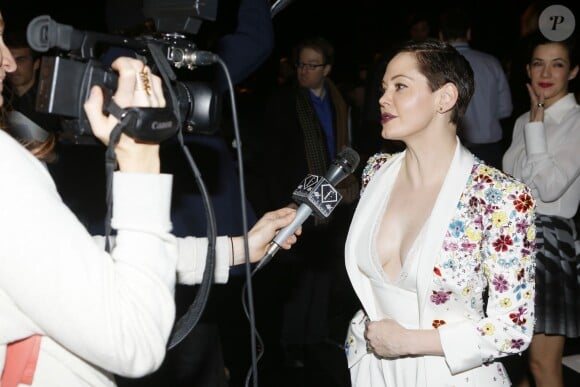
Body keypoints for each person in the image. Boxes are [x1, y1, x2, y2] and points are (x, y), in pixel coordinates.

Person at [0, 9, 299, 386]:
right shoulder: (5, 164)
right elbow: (135, 341)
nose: (8, 62)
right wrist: (140, 160)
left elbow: (73, 259)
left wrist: (237, 249)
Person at [344, 39, 537, 386]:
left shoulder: (499, 196)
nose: (383, 98)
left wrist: (407, 342)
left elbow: (513, 329)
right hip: (373, 370)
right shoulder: (377, 171)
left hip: (450, 374)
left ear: (444, 98)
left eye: (400, 86)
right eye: (384, 87)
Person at [258, 35, 360, 381]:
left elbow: (343, 142)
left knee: (324, 270)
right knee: (296, 273)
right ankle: (291, 344)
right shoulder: (285, 101)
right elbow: (271, 157)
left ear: (327, 69)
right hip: (298, 200)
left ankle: (314, 336)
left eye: (312, 65)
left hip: (332, 197)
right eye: (300, 63)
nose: (303, 70)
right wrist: (284, 200)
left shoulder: (337, 99)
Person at [502, 31, 579, 387]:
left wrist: (537, 127)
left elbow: (548, 188)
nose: (545, 72)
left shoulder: (575, 121)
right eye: (538, 63)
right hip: (515, 239)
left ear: (573, 71)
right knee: (519, 358)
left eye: (558, 64)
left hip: (549, 243)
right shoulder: (523, 120)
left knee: (543, 364)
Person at [439, 6, 513, 169]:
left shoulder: (437, 66)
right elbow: (505, 110)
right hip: (489, 149)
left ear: (441, 36)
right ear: (469, 33)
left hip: (449, 150)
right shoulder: (491, 63)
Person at [2, 28, 62, 135]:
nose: (13, 67)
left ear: (36, 64)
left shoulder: (51, 105)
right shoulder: (4, 99)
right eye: (9, 59)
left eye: (21, 60)